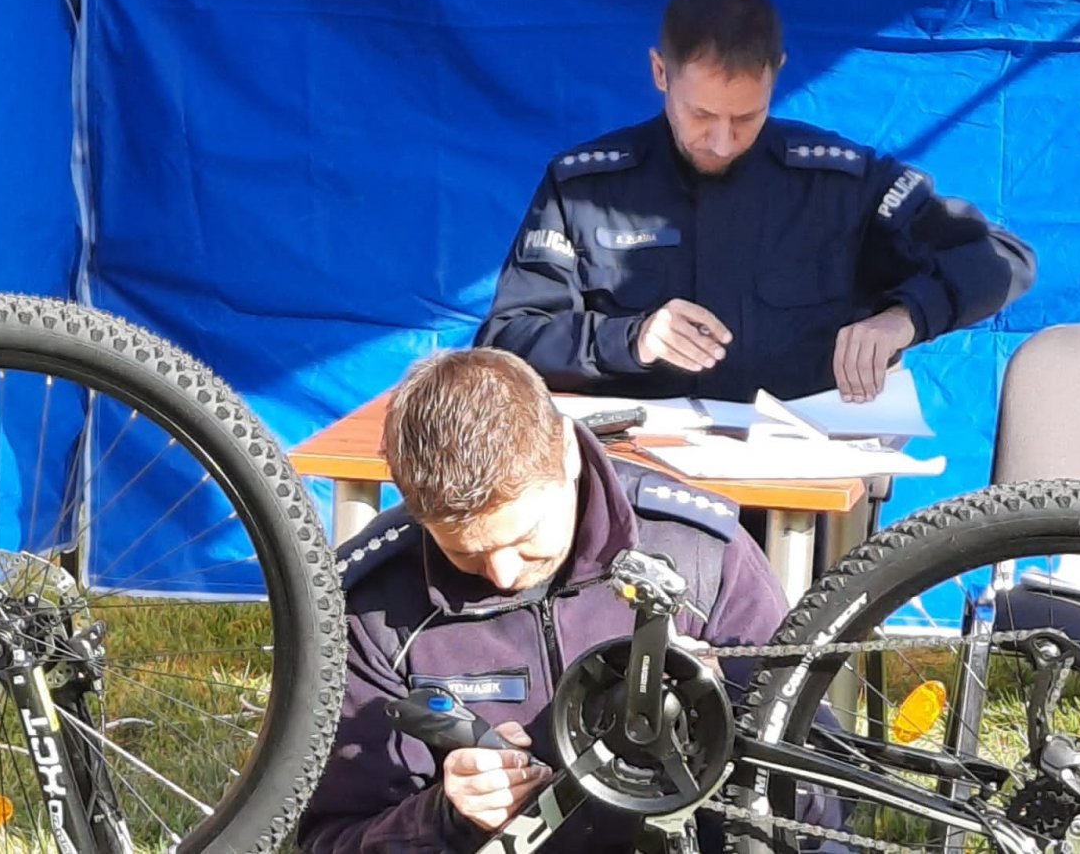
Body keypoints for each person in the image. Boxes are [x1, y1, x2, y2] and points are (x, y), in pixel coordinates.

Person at [298, 348, 800, 853]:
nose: (503, 573)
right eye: (464, 553)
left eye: (525, 537)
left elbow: (822, 802)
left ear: (566, 452)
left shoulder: (699, 555)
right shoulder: (373, 608)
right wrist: (447, 818)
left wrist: (722, 726)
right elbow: (329, 838)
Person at [474, 0, 1036, 405]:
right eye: (702, 115)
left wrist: (903, 318)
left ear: (777, 75)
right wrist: (631, 338)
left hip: (799, 499)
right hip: (632, 490)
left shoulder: (839, 182)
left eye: (746, 116)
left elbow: (1002, 258)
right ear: (659, 73)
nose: (721, 141)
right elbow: (507, 340)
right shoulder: (584, 187)